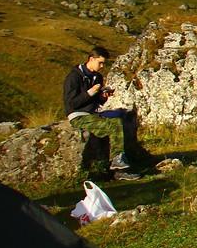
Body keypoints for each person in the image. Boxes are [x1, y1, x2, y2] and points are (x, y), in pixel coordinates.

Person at [63, 45, 148, 176]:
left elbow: (96, 102)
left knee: (120, 119)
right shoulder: (74, 77)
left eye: (103, 63)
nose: (102, 66)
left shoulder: (97, 77)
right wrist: (90, 93)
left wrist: (103, 97)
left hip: (92, 114)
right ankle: (117, 162)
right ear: (91, 59)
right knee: (114, 125)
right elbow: (71, 103)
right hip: (78, 116)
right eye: (100, 63)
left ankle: (118, 164)